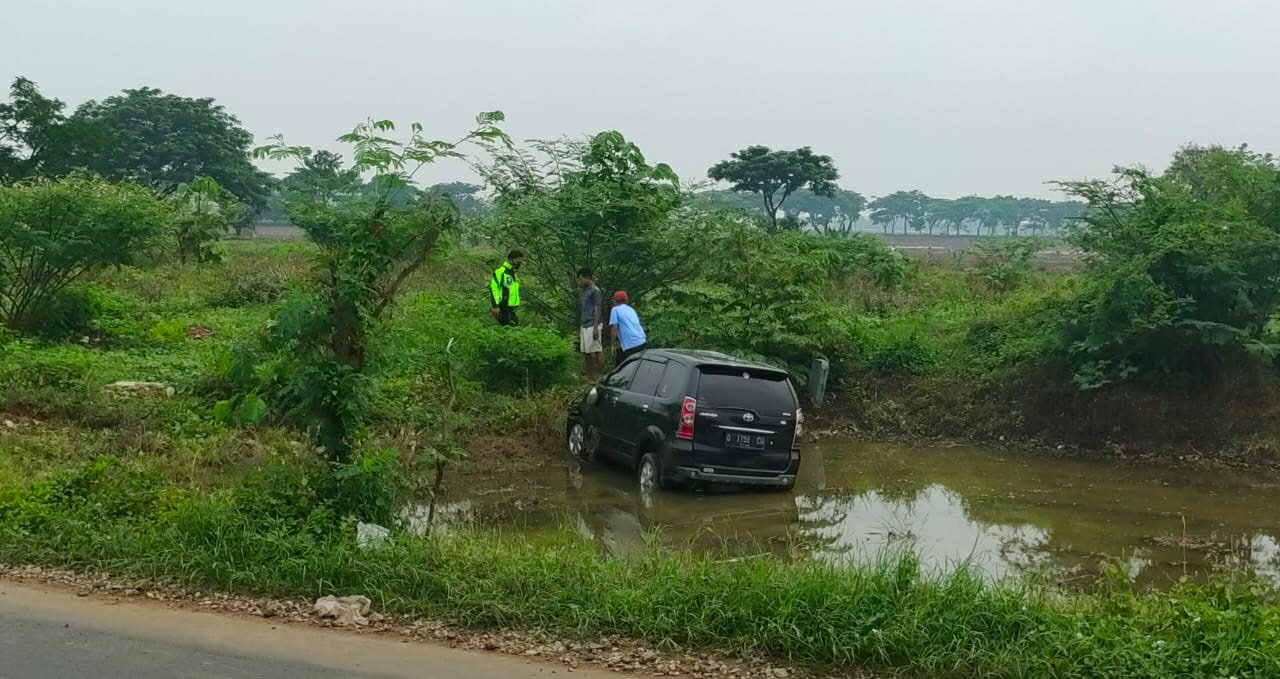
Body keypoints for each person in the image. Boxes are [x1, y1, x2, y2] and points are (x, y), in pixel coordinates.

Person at [577, 267, 604, 379]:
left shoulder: (595, 291)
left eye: (581, 279)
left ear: (587, 278)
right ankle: (590, 375)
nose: (579, 281)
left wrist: (595, 327)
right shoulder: (585, 290)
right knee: (586, 352)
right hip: (584, 324)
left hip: (593, 324)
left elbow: (597, 308)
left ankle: (601, 375)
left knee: (597, 350)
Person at [608, 290, 646, 364]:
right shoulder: (631, 309)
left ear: (615, 301)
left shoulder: (615, 309)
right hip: (641, 341)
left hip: (630, 345)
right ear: (626, 300)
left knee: (623, 367)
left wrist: (612, 344)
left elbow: (614, 328)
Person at [489, 250, 522, 326]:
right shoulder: (501, 272)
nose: (519, 263)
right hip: (503, 307)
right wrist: (495, 306)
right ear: (510, 259)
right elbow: (493, 288)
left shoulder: (513, 273)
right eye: (517, 261)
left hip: (512, 309)